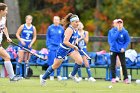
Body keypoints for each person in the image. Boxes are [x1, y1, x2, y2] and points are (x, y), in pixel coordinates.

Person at [40, 14, 83, 86]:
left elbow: (76, 37)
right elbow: (65, 42)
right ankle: (43, 78)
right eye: (76, 22)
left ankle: (72, 75)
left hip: (70, 49)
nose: (77, 23)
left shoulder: (76, 28)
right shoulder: (69, 29)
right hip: (63, 50)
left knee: (80, 61)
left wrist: (76, 43)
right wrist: (74, 47)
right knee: (55, 66)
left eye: (78, 21)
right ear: (71, 22)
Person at [0, 3, 21, 81]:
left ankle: (12, 78)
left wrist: (7, 37)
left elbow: (4, 27)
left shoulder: (3, 18)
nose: (7, 12)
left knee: (7, 57)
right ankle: (12, 78)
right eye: (6, 10)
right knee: (7, 57)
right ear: (1, 11)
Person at [108, 19, 131, 84]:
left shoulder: (125, 32)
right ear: (115, 24)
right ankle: (113, 78)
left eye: (120, 23)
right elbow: (113, 39)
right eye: (118, 23)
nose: (119, 24)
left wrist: (124, 47)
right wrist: (118, 31)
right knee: (113, 64)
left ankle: (126, 78)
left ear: (122, 24)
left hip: (121, 50)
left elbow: (127, 41)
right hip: (113, 49)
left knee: (123, 64)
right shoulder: (111, 31)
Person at [46, 16, 64, 80]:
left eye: (57, 20)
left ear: (59, 21)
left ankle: (58, 75)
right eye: (55, 20)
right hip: (52, 47)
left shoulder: (61, 28)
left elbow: (63, 38)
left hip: (59, 48)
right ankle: (51, 75)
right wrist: (48, 46)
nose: (56, 21)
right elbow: (48, 37)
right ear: (53, 20)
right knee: (51, 61)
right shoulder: (50, 28)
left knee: (59, 61)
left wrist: (62, 47)